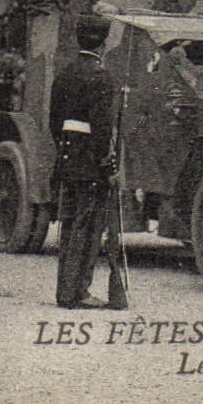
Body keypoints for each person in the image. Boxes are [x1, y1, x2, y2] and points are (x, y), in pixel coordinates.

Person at [49, 37, 126, 309]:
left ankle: (64, 291)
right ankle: (78, 292)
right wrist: (108, 166)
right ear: (102, 46)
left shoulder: (64, 74)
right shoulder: (100, 77)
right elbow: (102, 129)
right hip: (91, 163)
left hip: (68, 159)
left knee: (69, 226)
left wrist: (68, 150)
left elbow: (54, 123)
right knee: (88, 227)